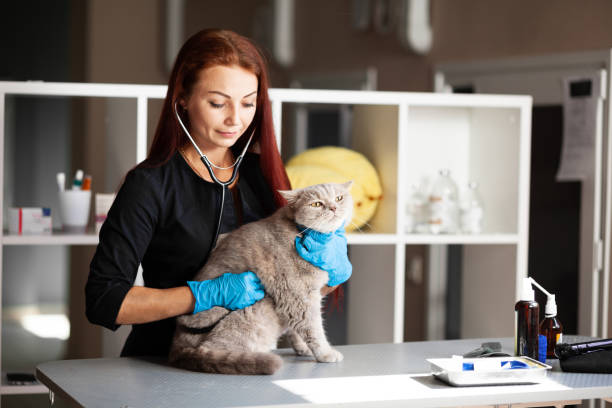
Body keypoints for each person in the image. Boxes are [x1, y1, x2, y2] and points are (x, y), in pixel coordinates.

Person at [85, 29, 350, 358]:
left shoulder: (261, 174)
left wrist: (333, 272)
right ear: (182, 97)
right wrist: (200, 296)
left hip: (246, 357)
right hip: (159, 364)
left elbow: (293, 292)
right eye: (217, 103)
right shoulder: (149, 184)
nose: (234, 119)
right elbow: (104, 301)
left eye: (248, 103)